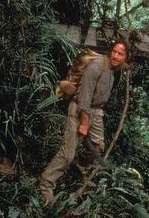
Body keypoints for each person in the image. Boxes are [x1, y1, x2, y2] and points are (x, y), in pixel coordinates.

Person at [39, 41, 129, 203]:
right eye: (114, 52)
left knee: (97, 146)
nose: (116, 56)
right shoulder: (96, 66)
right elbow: (84, 97)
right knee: (68, 154)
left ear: (125, 57)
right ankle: (46, 184)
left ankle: (79, 169)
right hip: (79, 109)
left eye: (120, 54)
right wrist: (84, 123)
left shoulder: (114, 69)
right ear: (110, 52)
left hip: (96, 110)